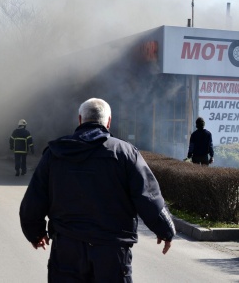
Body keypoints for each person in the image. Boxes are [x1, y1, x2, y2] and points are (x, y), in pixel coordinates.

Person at [19, 98, 175, 282]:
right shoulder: (126, 153)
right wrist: (165, 230)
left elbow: (35, 197)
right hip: (111, 252)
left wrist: (35, 232)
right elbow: (148, 196)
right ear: (108, 122)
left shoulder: (55, 153)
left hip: (66, 250)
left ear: (80, 120)